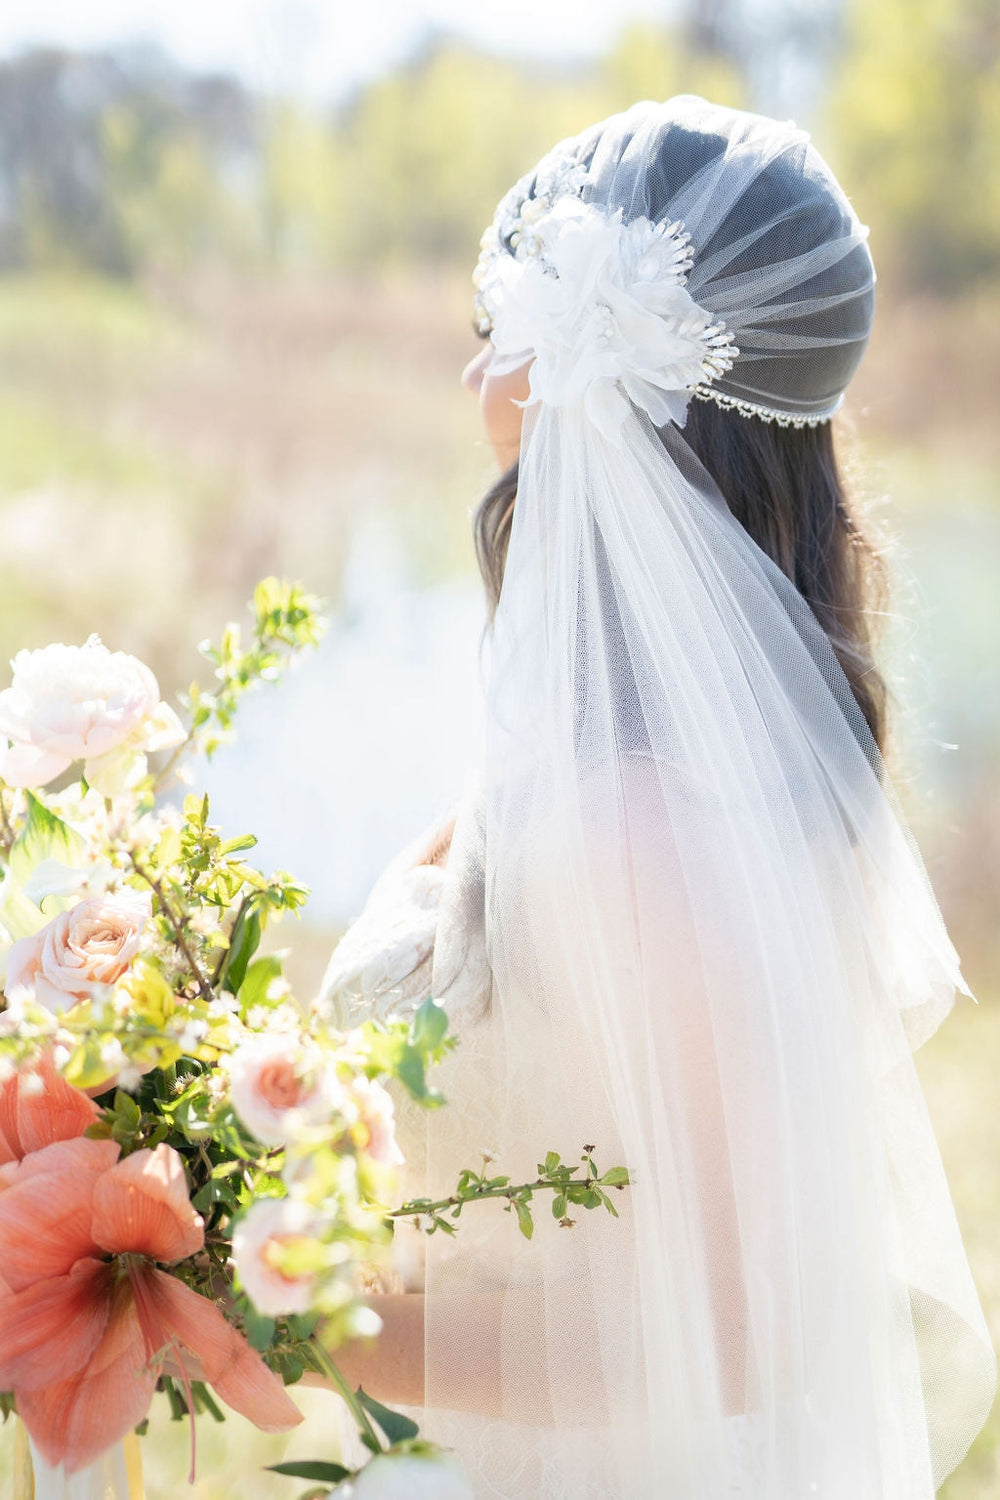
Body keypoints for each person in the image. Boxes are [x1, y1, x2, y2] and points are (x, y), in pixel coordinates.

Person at [318, 96, 997, 1498]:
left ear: (591, 376)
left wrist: (320, 1326)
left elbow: (741, 1329)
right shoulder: (595, 743)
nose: (474, 382)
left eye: (492, 332)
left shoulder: (643, 818)